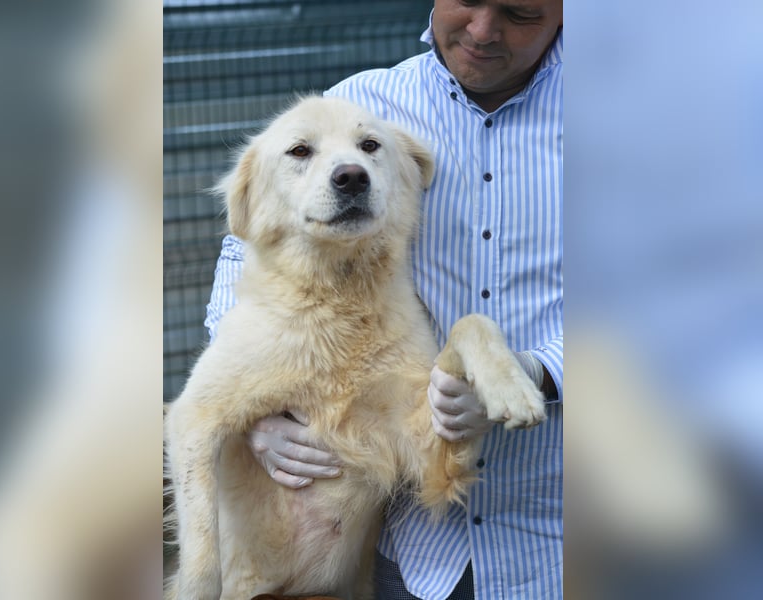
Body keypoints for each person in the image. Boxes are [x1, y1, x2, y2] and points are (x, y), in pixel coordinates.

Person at [204, 1, 563, 598]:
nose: (481, 30)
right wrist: (256, 415)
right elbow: (248, 252)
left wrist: (543, 370)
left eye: (519, 13)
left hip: (557, 536)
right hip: (409, 550)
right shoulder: (358, 111)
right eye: (467, 1)